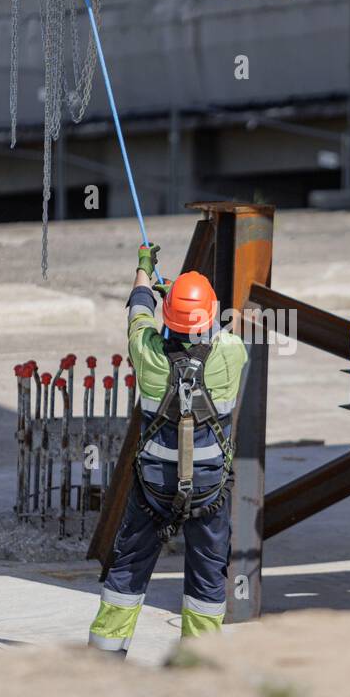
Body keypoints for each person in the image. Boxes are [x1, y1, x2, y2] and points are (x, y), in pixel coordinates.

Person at [87, 243, 248, 656]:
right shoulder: (231, 353)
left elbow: (137, 313)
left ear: (168, 320)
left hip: (154, 488)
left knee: (128, 567)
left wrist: (146, 272)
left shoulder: (147, 353)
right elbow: (217, 327)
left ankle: (105, 654)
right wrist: (180, 299)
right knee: (208, 576)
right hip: (209, 491)